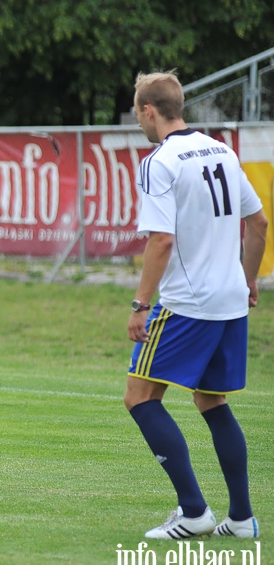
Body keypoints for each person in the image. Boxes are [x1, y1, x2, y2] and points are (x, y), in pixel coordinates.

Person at [125, 71, 268, 540]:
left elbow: (162, 240)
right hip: (229, 300)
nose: (139, 119)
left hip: (189, 302)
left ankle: (193, 512)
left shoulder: (159, 161)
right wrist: (247, 281)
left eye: (137, 111)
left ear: (149, 110)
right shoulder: (221, 150)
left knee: (140, 398)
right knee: (212, 401)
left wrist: (141, 303)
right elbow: (259, 223)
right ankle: (242, 519)